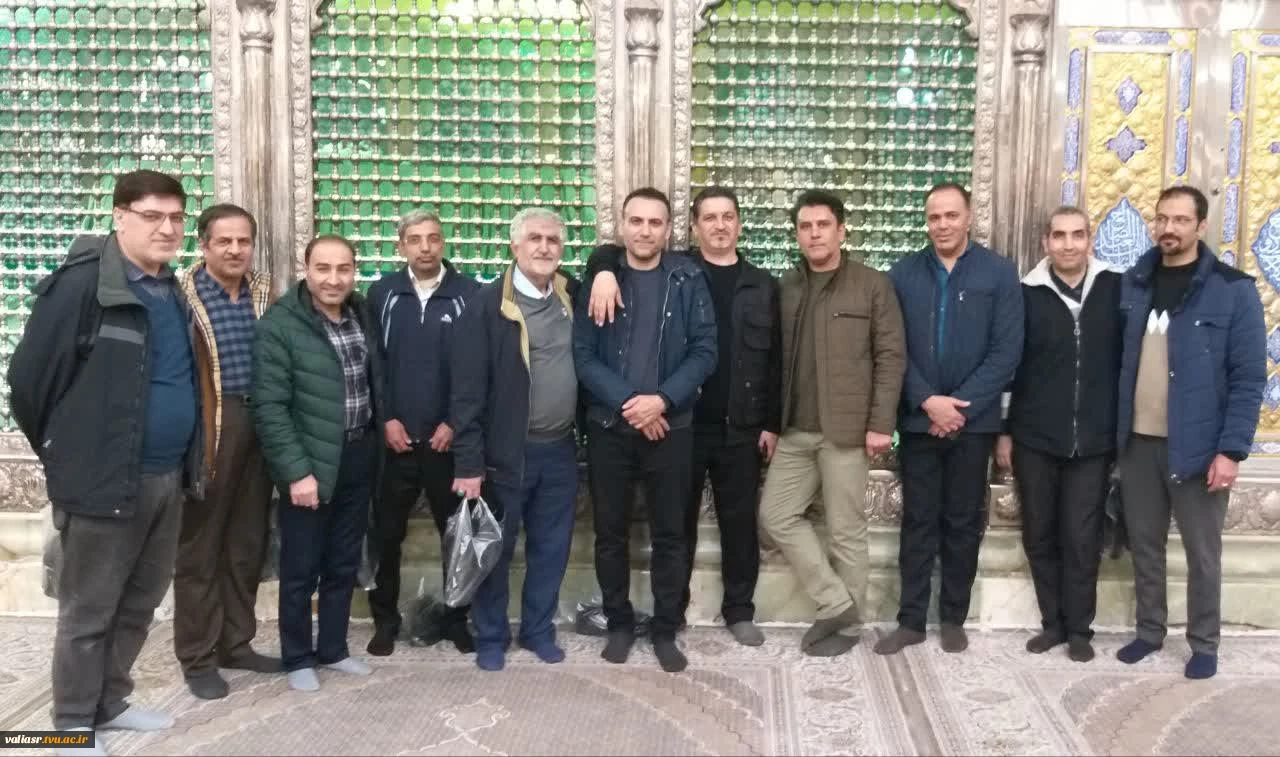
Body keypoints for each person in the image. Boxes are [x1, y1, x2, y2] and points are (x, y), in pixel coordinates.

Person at [7, 169, 204, 754]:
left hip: (167, 475)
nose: (166, 228)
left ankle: (109, 702)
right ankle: (69, 724)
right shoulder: (82, 286)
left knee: (141, 601)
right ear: (119, 216)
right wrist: (68, 455)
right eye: (152, 216)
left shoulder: (171, 289)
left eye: (176, 217)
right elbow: (29, 383)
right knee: (88, 611)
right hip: (103, 481)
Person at [582, 186, 781, 646]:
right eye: (709, 217)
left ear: (739, 223)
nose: (719, 225)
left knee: (738, 523)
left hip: (733, 422)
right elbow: (608, 262)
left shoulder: (756, 284)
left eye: (727, 216)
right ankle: (668, 614)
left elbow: (773, 360)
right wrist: (602, 267)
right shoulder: (677, 271)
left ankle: (735, 611)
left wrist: (771, 421)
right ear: (692, 227)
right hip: (678, 423)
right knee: (673, 525)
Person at [1113, 186, 1265, 679]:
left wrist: (1231, 451)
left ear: (1200, 226)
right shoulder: (1133, 284)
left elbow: (1248, 378)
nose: (1169, 229)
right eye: (1162, 219)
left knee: (1203, 552)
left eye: (1180, 220)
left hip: (1199, 448)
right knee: (1145, 543)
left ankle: (1204, 643)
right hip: (1138, 444)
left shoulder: (1233, 289)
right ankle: (1149, 632)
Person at [573, 187, 717, 672]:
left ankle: (665, 628)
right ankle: (618, 624)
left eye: (655, 223)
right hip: (610, 427)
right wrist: (630, 404)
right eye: (636, 221)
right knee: (610, 533)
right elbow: (583, 356)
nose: (645, 231)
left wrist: (662, 401)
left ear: (669, 229)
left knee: (671, 534)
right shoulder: (600, 280)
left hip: (671, 428)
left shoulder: (688, 279)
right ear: (622, 226)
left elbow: (705, 351)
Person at [876, 182, 1023, 656]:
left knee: (962, 522)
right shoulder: (902, 275)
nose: (942, 225)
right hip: (920, 422)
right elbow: (892, 348)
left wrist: (958, 407)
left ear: (968, 217)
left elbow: (1006, 351)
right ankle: (911, 620)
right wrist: (926, 400)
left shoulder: (999, 273)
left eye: (951, 215)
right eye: (934, 217)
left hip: (972, 425)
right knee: (918, 521)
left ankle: (953, 618)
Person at [759, 189, 906, 656]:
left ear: (841, 231)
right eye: (805, 227)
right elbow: (774, 362)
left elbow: (890, 356)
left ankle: (846, 628)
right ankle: (837, 603)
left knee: (846, 531)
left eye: (823, 225)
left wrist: (881, 422)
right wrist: (771, 422)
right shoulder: (787, 287)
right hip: (796, 430)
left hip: (847, 429)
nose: (814, 234)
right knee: (776, 514)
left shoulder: (871, 285)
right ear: (797, 234)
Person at [252, 235, 385, 692]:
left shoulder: (361, 314)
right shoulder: (281, 325)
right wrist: (296, 472)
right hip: (309, 462)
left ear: (354, 272)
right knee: (300, 567)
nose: (333, 279)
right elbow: (270, 406)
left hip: (358, 453)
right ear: (305, 269)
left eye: (343, 269)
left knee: (343, 561)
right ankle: (297, 657)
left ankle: (333, 648)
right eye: (323, 268)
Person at [452, 208, 581, 671]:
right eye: (534, 239)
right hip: (505, 453)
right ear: (514, 247)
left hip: (560, 449)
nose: (544, 247)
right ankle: (490, 635)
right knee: (495, 549)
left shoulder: (572, 295)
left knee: (552, 548)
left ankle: (537, 630)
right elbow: (466, 392)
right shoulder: (486, 306)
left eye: (552, 240)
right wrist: (469, 464)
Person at [994, 206, 1122, 663]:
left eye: (1077, 235)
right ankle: (1053, 625)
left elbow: (1128, 364)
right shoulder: (1025, 294)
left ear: (1090, 239)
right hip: (1035, 438)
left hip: (1093, 441)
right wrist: (1005, 431)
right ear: (1045, 242)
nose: (1069, 244)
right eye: (1059, 236)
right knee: (1040, 534)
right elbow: (1009, 368)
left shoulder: (1116, 289)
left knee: (1082, 538)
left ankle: (1080, 629)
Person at [170, 204, 279, 699]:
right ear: (204, 244)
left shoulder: (264, 293)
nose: (235, 250)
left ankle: (236, 642)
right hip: (211, 423)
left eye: (243, 241)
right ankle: (198, 656)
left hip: (261, 422)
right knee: (200, 545)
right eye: (224, 241)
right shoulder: (182, 297)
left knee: (246, 541)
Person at [364, 210, 480, 657]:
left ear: (444, 242)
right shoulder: (382, 294)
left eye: (433, 238)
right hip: (395, 442)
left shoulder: (470, 294)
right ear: (401, 246)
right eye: (415, 239)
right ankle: (385, 622)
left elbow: (476, 370)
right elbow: (374, 364)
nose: (425, 247)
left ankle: (456, 620)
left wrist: (454, 422)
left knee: (458, 536)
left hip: (447, 442)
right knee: (386, 536)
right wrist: (387, 419)